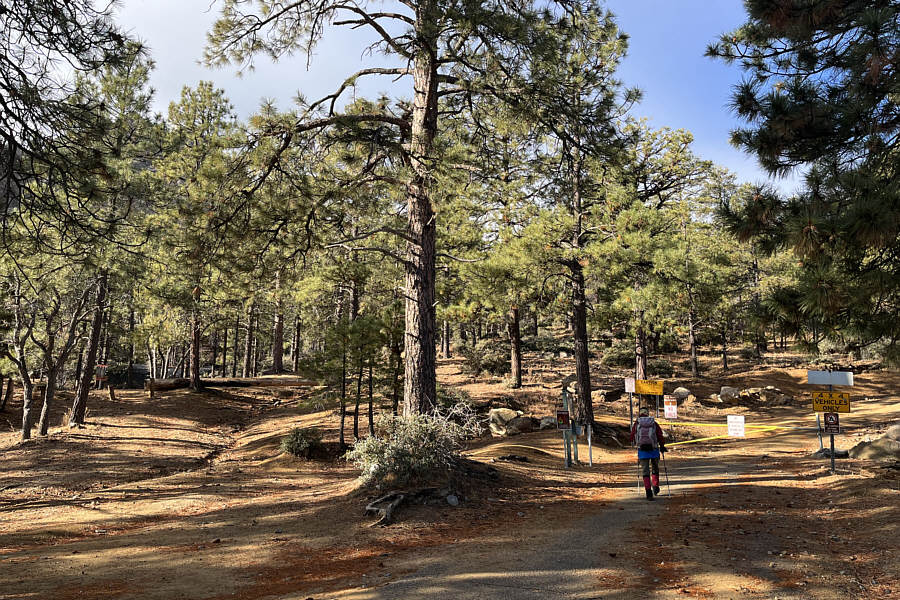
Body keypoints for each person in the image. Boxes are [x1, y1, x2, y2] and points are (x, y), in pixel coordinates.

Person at [630, 406, 667, 500]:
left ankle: (648, 492)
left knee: (645, 471)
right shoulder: (653, 423)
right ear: (648, 413)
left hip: (642, 450)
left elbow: (632, 437)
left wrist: (635, 443)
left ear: (640, 414)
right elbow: (659, 435)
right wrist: (662, 446)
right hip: (654, 449)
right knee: (655, 468)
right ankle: (655, 486)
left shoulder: (637, 424)